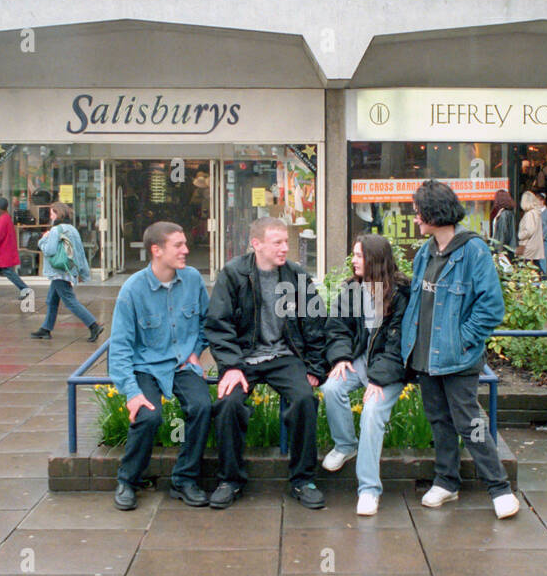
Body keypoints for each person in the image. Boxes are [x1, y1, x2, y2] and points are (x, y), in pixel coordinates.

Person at [399, 180, 518, 520]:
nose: (415, 215)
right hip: (424, 355)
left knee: (471, 422)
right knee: (439, 421)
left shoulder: (473, 250)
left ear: (434, 212)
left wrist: (462, 339)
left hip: (457, 356)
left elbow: (491, 306)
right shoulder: (426, 252)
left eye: (419, 209)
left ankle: (499, 488)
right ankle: (446, 482)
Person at [204, 216, 328, 510]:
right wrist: (232, 365)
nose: (285, 248)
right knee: (228, 405)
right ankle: (230, 480)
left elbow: (315, 324)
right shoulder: (233, 275)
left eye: (286, 241)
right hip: (243, 357)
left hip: (285, 356)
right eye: (278, 242)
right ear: (256, 244)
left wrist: (314, 366)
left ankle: (303, 480)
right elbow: (218, 325)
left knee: (304, 401)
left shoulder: (296, 276)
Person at [106, 221, 211, 512]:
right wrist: (131, 391)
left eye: (184, 244)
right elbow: (121, 347)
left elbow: (207, 322)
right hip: (147, 366)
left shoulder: (192, 280)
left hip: (182, 364)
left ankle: (185, 480)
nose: (186, 250)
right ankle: (128, 480)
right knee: (148, 416)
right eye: (178, 245)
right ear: (156, 250)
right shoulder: (132, 290)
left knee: (202, 407)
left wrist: (196, 351)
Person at [321, 234, 410, 516]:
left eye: (359, 256)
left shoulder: (400, 295)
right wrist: (341, 357)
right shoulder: (352, 290)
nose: (354, 261)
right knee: (332, 387)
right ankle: (346, 445)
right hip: (359, 361)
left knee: (372, 412)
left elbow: (397, 344)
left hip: (389, 369)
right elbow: (336, 328)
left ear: (374, 260)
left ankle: (369, 489)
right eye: (354, 255)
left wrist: (378, 378)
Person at [31, 203, 104, 342]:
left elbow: (49, 250)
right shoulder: (72, 229)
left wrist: (42, 240)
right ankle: (46, 329)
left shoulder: (55, 230)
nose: (50, 216)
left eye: (52, 213)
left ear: (57, 214)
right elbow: (80, 252)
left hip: (58, 271)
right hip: (67, 269)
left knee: (70, 301)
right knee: (52, 300)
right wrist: (82, 271)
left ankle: (94, 325)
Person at [0, 196, 33, 300]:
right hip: (3, 251)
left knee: (9, 273)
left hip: (2, 252)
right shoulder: (6, 217)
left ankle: (26, 290)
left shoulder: (2, 219)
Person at [516, 189, 546, 278]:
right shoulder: (536, 212)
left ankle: (544, 282)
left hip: (528, 245)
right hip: (535, 244)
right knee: (535, 265)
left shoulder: (529, 214)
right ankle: (544, 282)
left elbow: (529, 230)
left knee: (526, 265)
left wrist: (520, 235)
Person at [488, 189, 516, 258]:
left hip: (502, 249)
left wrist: (500, 251)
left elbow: (502, 233)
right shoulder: (509, 212)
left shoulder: (504, 215)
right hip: (508, 247)